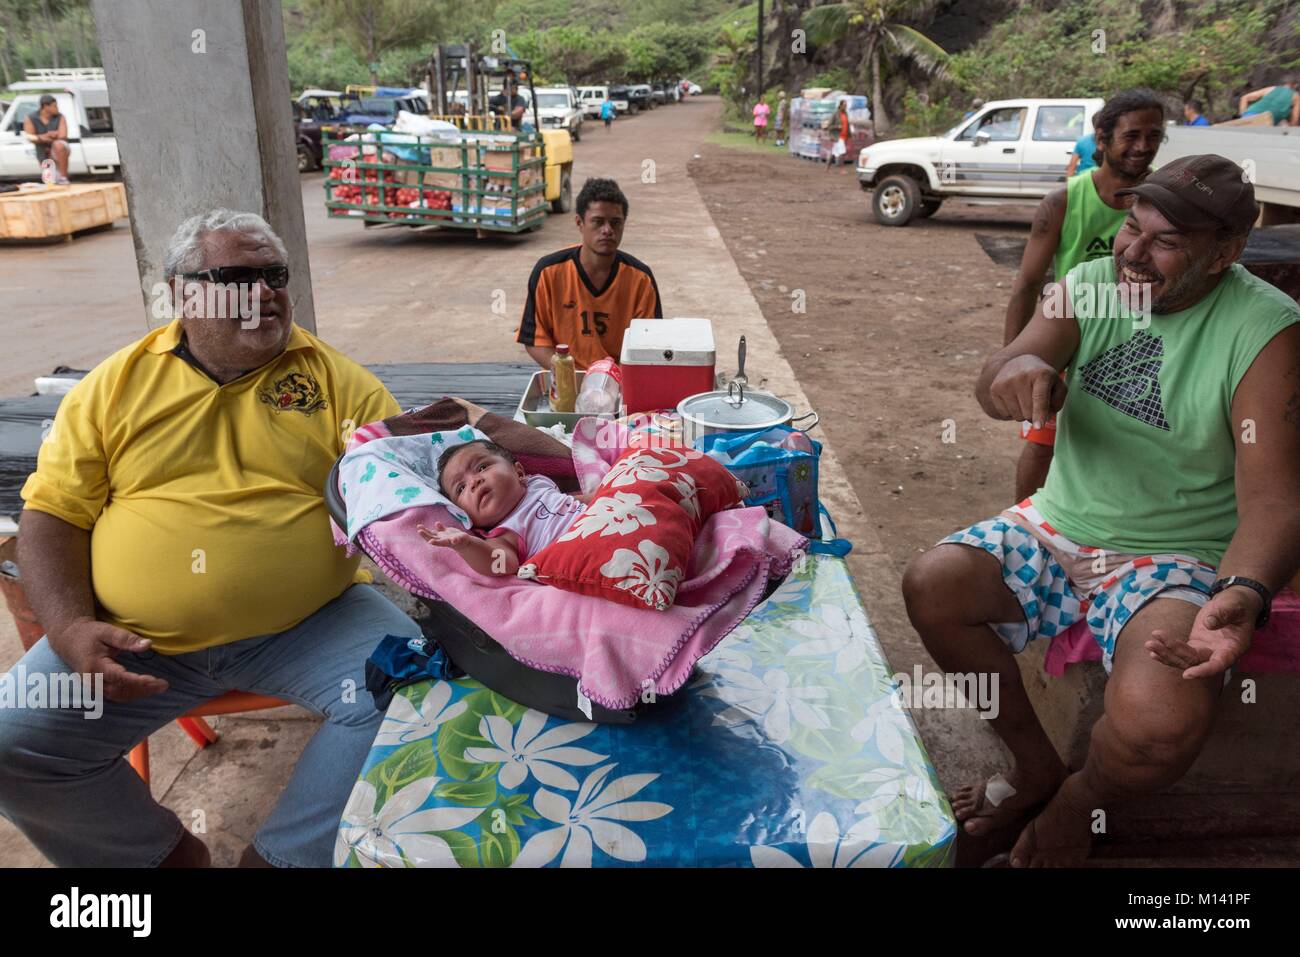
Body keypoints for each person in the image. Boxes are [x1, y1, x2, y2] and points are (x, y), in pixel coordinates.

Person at [904, 154, 1299, 868]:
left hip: (1173, 558)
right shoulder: (1091, 285)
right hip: (1056, 524)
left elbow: (1275, 498)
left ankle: (1075, 801)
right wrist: (1013, 374)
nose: (1132, 254)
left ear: (1225, 253)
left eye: (1166, 241)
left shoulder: (1266, 330)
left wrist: (1241, 593)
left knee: (1159, 724)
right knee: (932, 583)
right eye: (1130, 225)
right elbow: (998, 373)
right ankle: (1034, 765)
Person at [0, 209, 417, 868]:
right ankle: (163, 859)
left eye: (274, 275)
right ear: (181, 292)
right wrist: (70, 626)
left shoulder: (337, 382)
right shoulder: (113, 388)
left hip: (310, 624)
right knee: (11, 743)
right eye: (236, 277)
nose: (266, 293)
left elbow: (405, 484)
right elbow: (51, 516)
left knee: (416, 687)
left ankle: (281, 858)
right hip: (137, 639)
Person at [1006, 89, 1164, 501]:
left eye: (1154, 135)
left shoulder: (1167, 200)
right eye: (1131, 135)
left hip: (1146, 347)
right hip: (1072, 343)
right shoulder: (1064, 202)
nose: (1143, 146)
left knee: (1133, 450)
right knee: (1043, 447)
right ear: (1102, 138)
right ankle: (1022, 529)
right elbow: (1026, 285)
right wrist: (1011, 361)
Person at [516, 177, 662, 371]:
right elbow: (535, 340)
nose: (608, 230)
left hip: (620, 382)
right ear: (580, 222)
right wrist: (569, 376)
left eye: (616, 222)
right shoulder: (548, 272)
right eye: (598, 222)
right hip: (567, 381)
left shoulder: (641, 279)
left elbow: (649, 346)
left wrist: (609, 380)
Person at [420, 439, 590, 575]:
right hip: (582, 558)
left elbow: (573, 502)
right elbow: (499, 565)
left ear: (519, 472)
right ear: (466, 515)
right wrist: (467, 546)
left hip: (602, 521)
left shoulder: (537, 484)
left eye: (482, 467)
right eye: (461, 488)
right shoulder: (505, 534)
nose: (473, 482)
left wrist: (608, 492)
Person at [23, 93, 70, 184]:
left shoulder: (60, 116)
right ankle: (56, 178)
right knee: (50, 181)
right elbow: (30, 137)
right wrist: (49, 135)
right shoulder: (31, 118)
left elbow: (62, 136)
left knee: (59, 144)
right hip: (43, 151)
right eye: (55, 106)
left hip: (58, 150)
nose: (57, 108)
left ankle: (64, 177)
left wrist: (40, 137)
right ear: (45, 106)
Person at [824, 100, 852, 173]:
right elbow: (829, 125)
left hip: (844, 136)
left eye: (846, 105)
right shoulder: (835, 114)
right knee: (842, 152)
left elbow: (847, 125)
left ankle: (827, 168)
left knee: (834, 153)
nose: (845, 107)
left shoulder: (845, 113)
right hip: (837, 137)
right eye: (844, 105)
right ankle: (842, 169)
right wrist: (837, 126)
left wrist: (849, 135)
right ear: (840, 105)